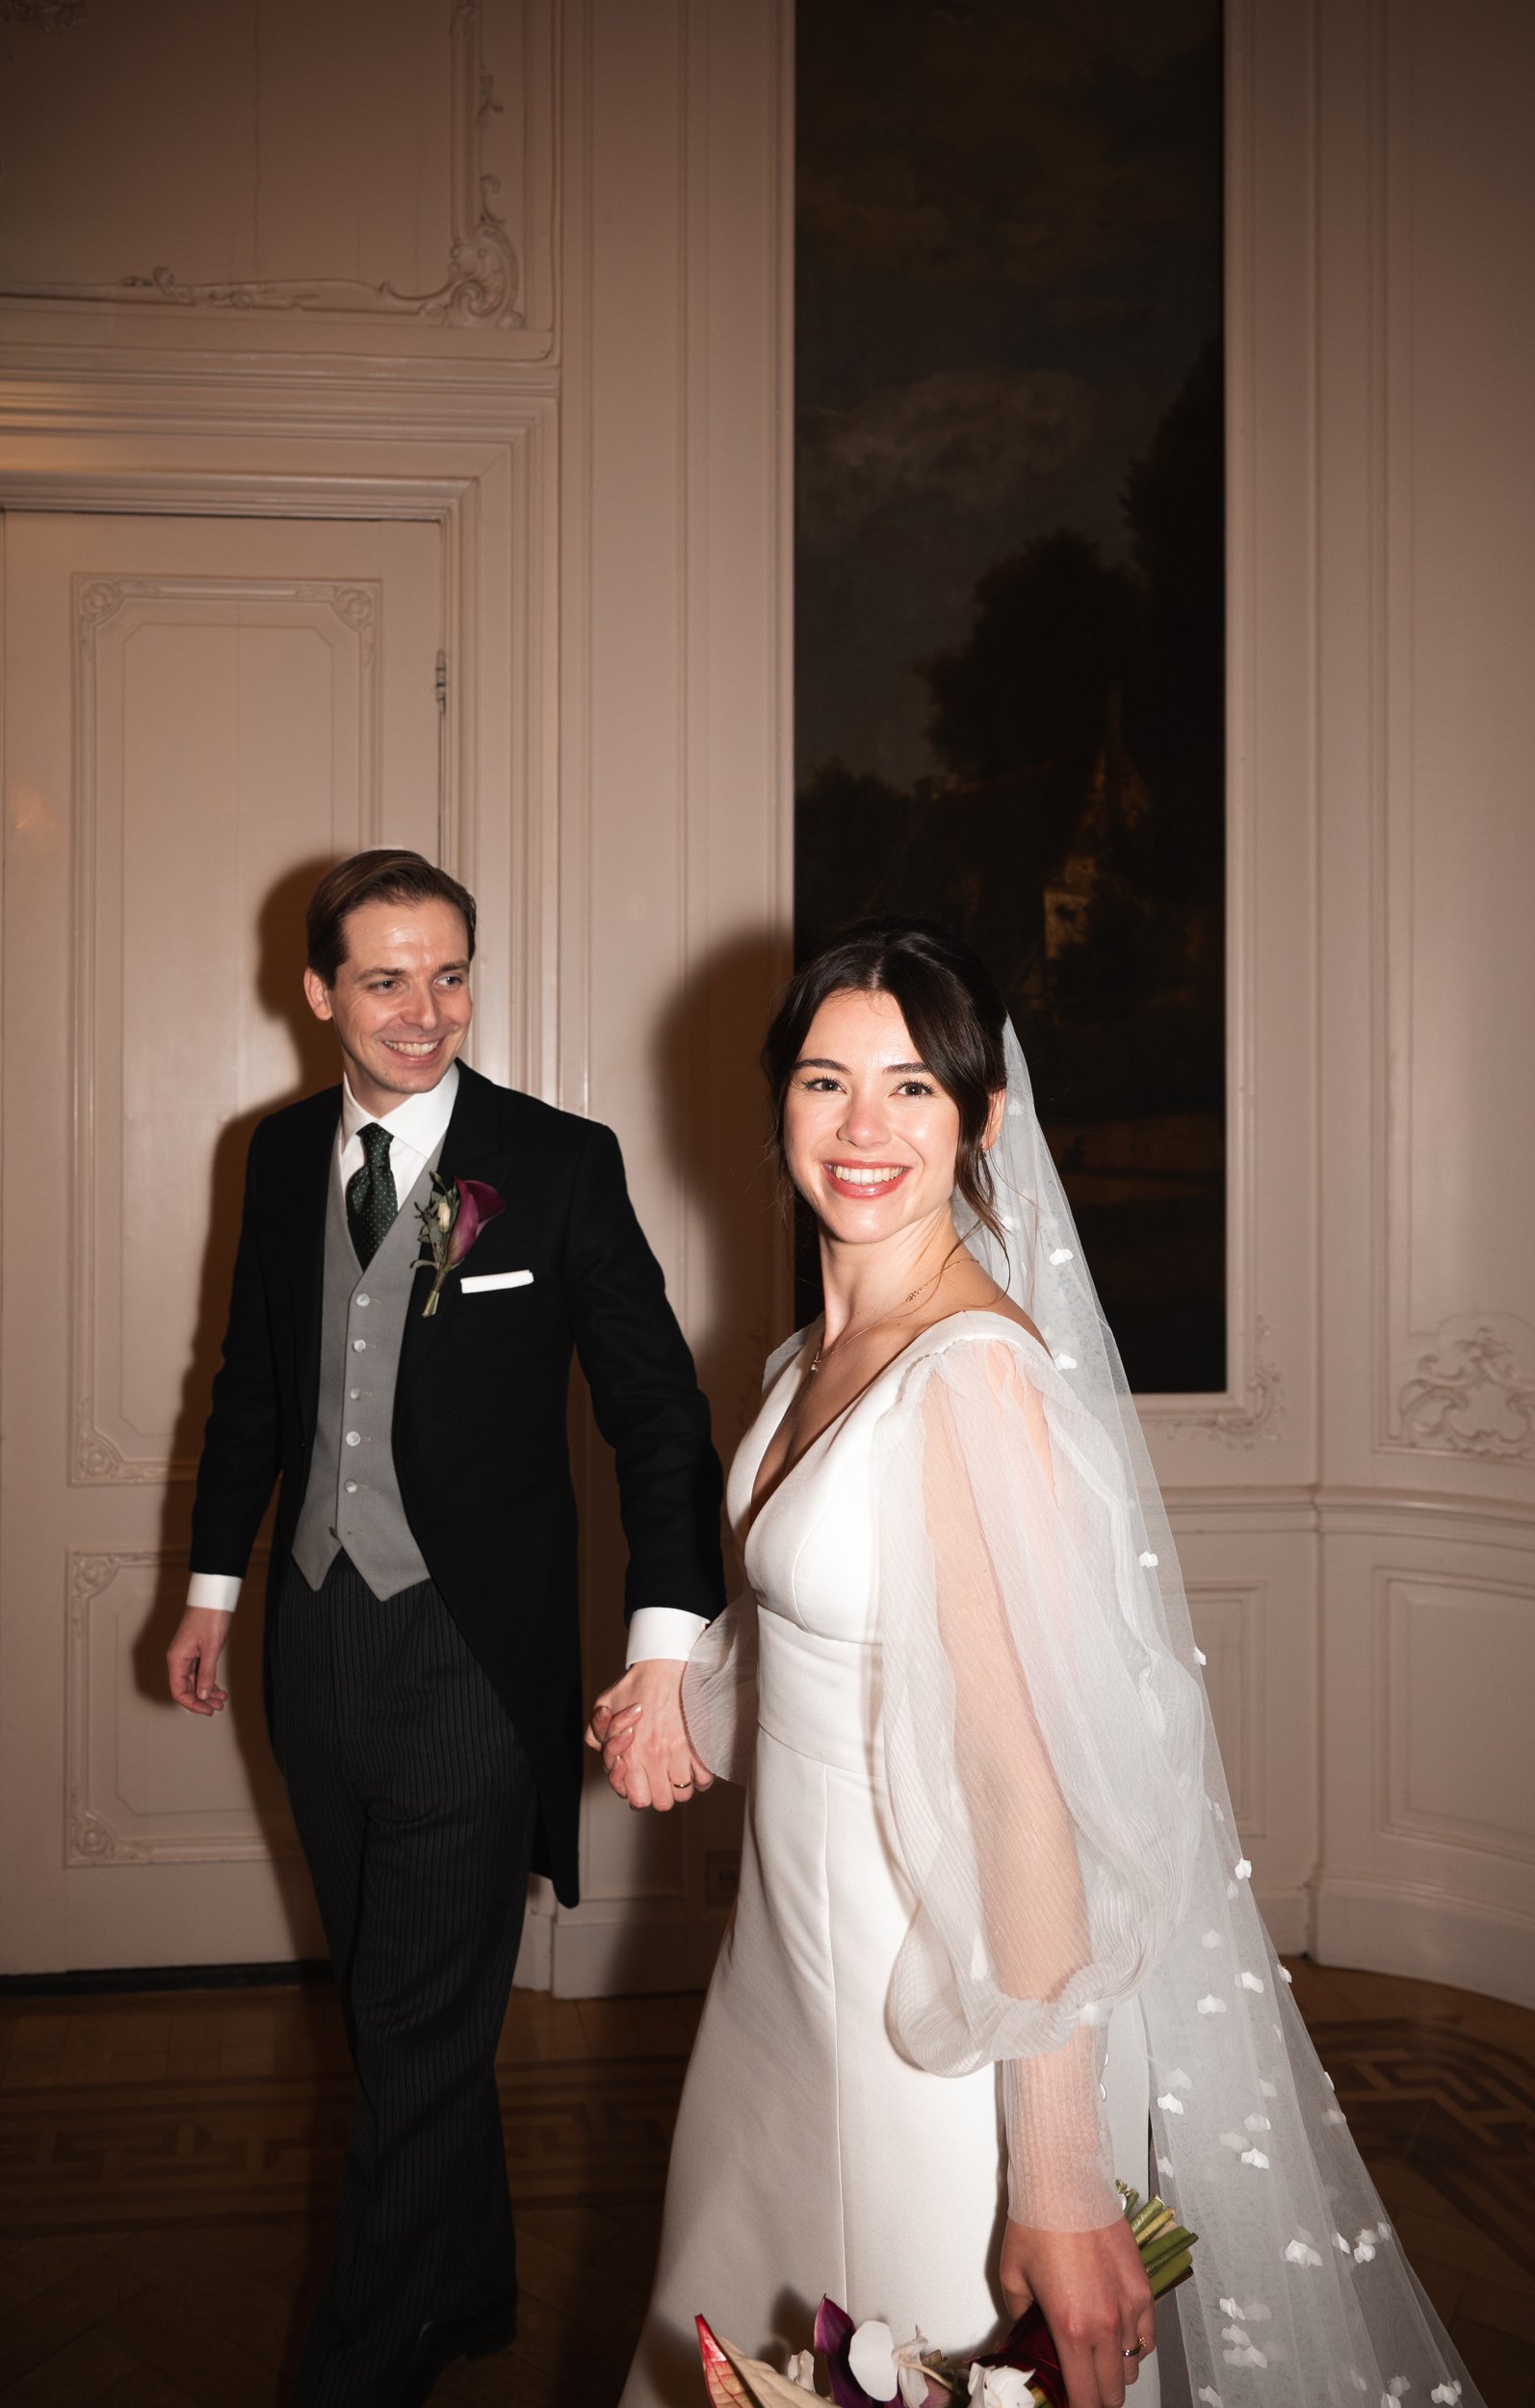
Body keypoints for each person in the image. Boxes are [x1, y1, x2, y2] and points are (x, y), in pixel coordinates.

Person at [600, 920, 1485, 2408]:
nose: (863, 1128)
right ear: (779, 1102)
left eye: (912, 1088)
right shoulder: (805, 1360)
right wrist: (680, 1700)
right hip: (781, 1990)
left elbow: (1028, 1793)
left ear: (983, 1117)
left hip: (936, 2020)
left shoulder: (973, 1382)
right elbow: (829, 1654)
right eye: (825, 1082)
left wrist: (1061, 2176)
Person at [165, 850, 725, 2408]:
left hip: (476, 1662)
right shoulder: (280, 1156)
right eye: (388, 979)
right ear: (318, 992)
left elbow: (659, 1416)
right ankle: (468, 2286)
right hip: (314, 1645)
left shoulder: (557, 1162)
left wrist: (666, 1642)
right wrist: (212, 1590)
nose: (426, 1012)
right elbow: (254, 1386)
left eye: (452, 974)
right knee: (393, 2004)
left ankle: (361, 2366)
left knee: (414, 2035)